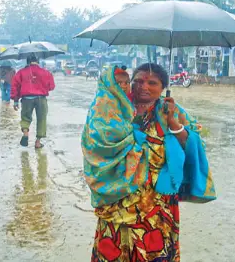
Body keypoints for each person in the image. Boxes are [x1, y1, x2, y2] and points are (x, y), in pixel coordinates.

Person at [82, 63, 216, 262]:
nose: (143, 86)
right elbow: (94, 144)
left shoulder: (171, 111)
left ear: (162, 87)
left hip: (157, 203)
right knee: (114, 251)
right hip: (118, 198)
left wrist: (173, 123)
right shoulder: (114, 111)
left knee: (155, 252)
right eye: (137, 81)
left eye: (152, 82)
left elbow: (194, 146)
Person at [11, 54, 55, 149]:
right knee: (41, 119)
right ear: (38, 61)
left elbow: (15, 86)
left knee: (25, 118)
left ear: (27, 61)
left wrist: (15, 100)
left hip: (27, 99)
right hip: (41, 99)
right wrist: (41, 86)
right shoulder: (46, 72)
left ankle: (26, 133)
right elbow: (51, 86)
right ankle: (38, 142)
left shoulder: (21, 72)